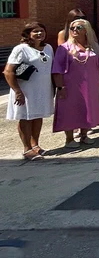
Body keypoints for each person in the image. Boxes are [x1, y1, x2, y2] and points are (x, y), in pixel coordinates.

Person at [4, 22, 54, 160]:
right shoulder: (21, 49)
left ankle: (35, 145)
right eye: (35, 31)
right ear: (28, 34)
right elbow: (8, 71)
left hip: (42, 89)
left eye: (42, 31)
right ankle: (27, 149)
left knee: (38, 116)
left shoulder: (48, 48)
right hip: (25, 90)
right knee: (25, 117)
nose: (39, 34)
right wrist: (17, 91)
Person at [52, 19, 99, 148]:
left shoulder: (93, 46)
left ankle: (84, 135)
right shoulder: (64, 48)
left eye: (78, 28)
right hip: (70, 85)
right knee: (70, 109)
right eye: (72, 28)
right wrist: (60, 86)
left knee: (88, 108)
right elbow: (57, 69)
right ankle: (69, 139)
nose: (74, 30)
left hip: (90, 84)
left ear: (86, 30)